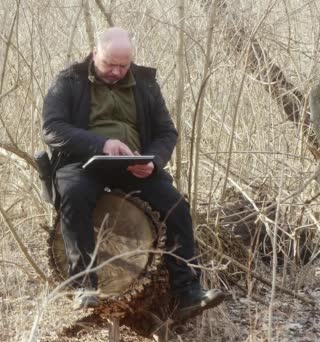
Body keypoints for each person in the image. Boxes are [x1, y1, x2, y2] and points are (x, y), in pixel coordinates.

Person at [42, 27, 225, 320]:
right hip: (81, 163)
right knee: (73, 196)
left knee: (176, 204)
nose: (116, 71)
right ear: (94, 53)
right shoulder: (69, 80)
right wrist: (101, 143)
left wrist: (154, 161)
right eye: (109, 64)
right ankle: (83, 286)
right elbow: (52, 129)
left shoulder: (145, 83)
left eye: (122, 65)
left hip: (134, 166)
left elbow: (167, 132)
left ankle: (189, 290)